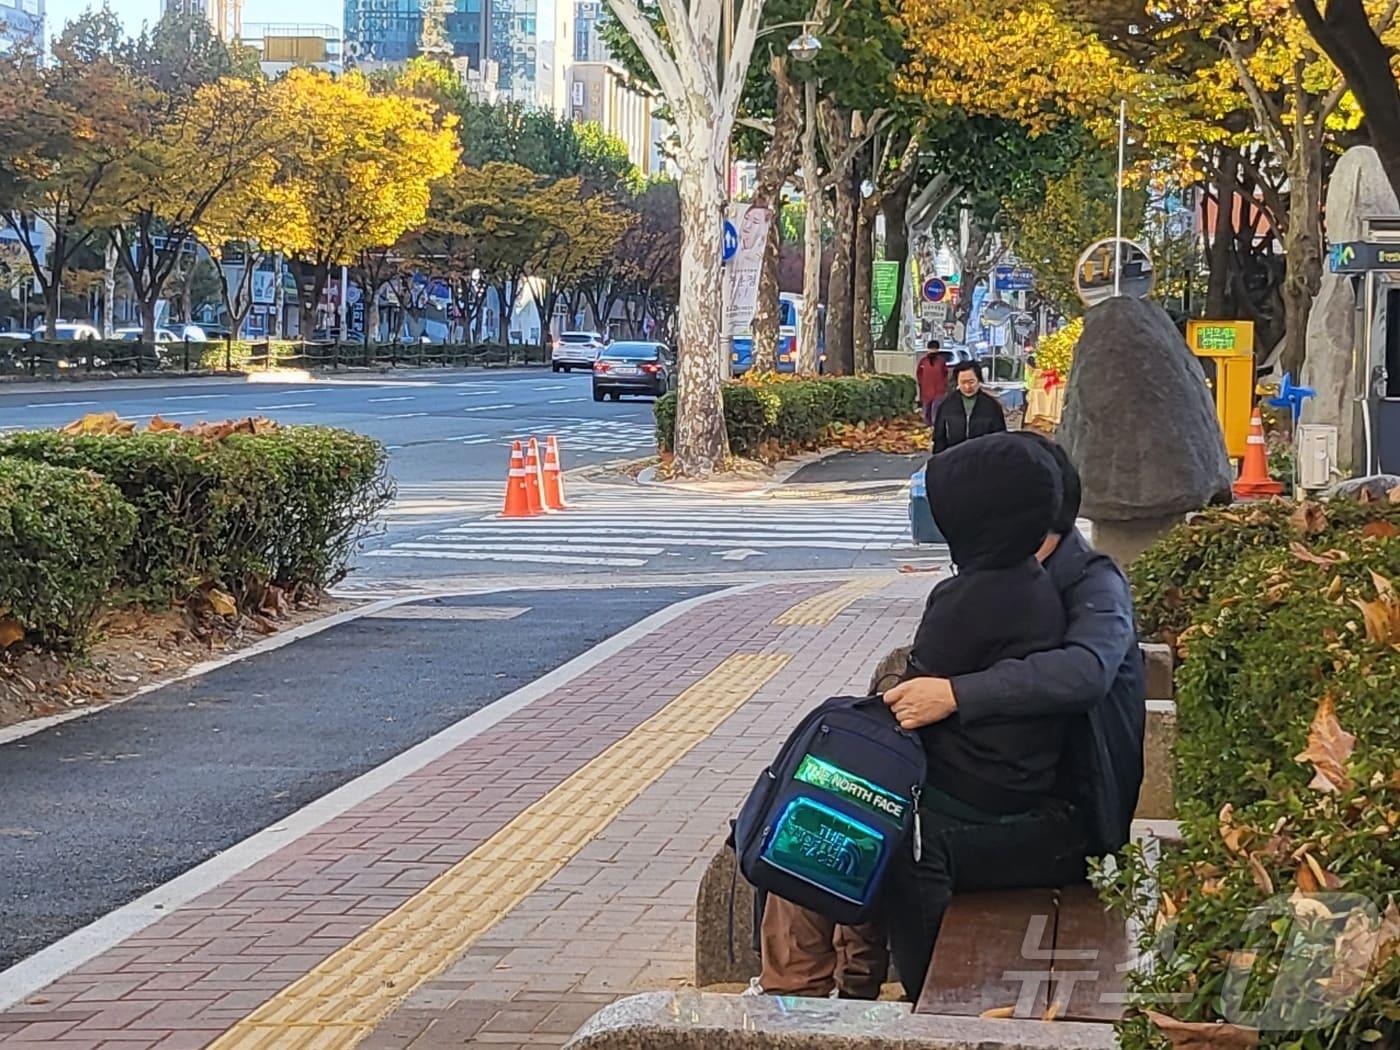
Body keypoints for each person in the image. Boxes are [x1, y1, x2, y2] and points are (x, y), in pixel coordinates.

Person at [883, 434, 1147, 998]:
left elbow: (1085, 671)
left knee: (911, 850)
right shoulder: (997, 576)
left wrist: (957, 693)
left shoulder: (1093, 581)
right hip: (1005, 796)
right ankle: (819, 990)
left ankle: (933, 1009)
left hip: (1071, 817)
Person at [931, 361, 1006, 454]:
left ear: (978, 380)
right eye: (963, 382)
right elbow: (939, 438)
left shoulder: (992, 406)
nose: (967, 387)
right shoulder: (946, 405)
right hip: (953, 459)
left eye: (971, 382)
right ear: (957, 382)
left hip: (983, 459)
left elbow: (1000, 439)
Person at [916, 340, 949, 426]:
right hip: (926, 389)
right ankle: (927, 424)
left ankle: (936, 425)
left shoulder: (941, 361)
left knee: (936, 409)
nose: (933, 351)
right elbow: (919, 373)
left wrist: (944, 385)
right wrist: (921, 383)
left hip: (938, 390)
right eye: (931, 349)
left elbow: (945, 374)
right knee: (926, 409)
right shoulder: (923, 361)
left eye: (935, 349)